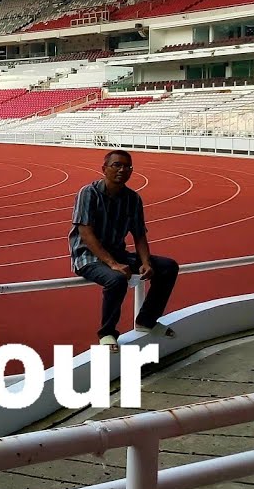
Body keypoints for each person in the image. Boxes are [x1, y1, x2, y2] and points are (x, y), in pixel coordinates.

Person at [68, 150, 180, 352]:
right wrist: (112, 263)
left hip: (118, 253)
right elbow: (85, 233)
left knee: (167, 267)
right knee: (116, 279)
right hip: (88, 256)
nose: (122, 170)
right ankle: (107, 333)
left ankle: (146, 320)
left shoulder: (133, 199)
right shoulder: (88, 193)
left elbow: (139, 234)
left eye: (127, 166)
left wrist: (145, 262)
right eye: (116, 165)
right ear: (104, 169)